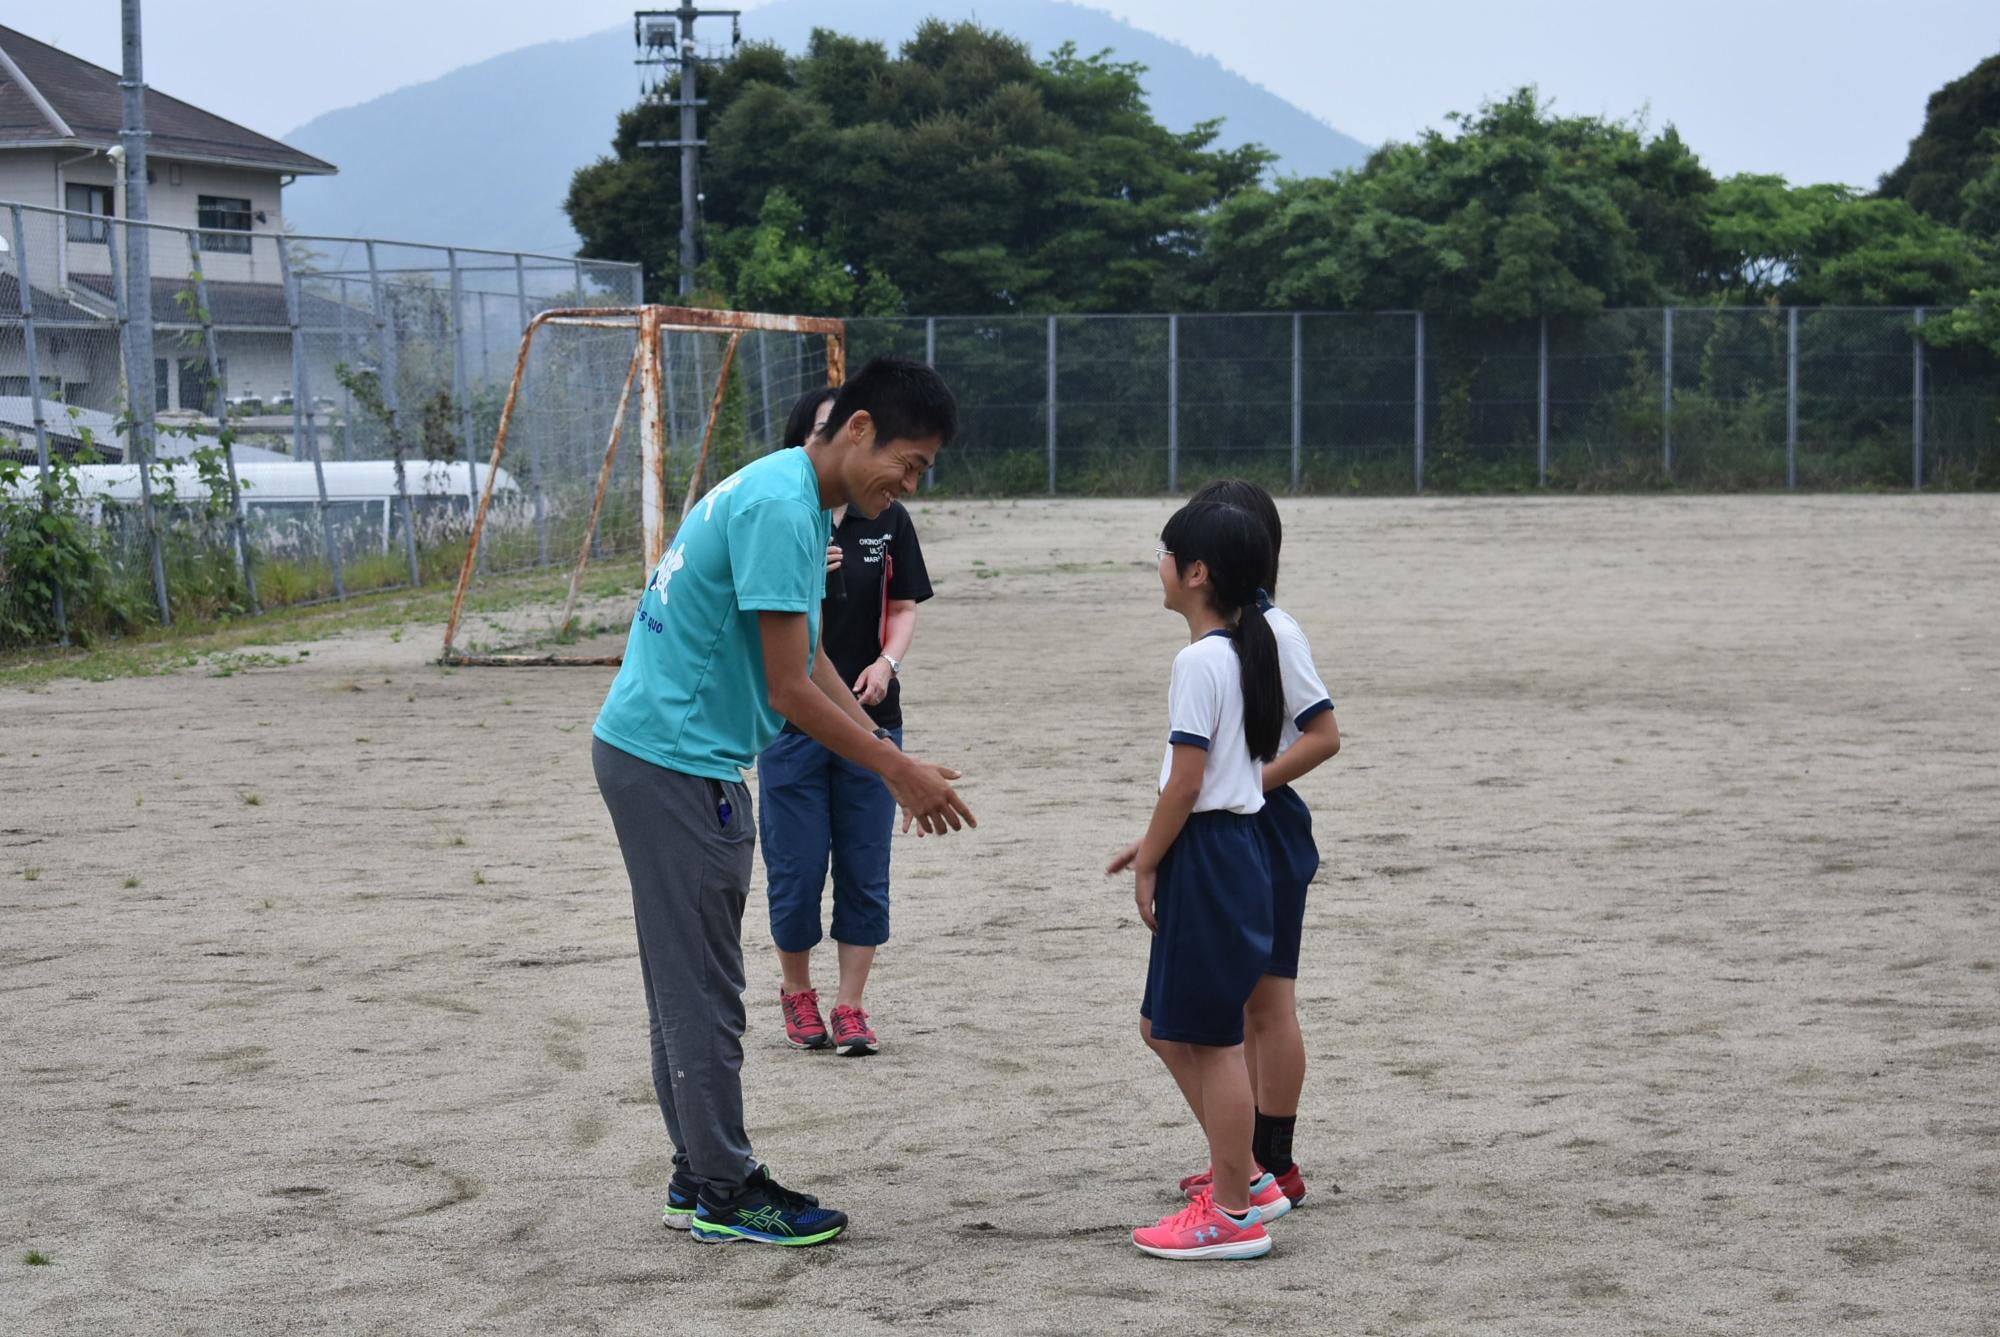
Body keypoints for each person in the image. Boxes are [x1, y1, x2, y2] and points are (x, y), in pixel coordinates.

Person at [591, 356, 975, 1249]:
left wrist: (887, 753)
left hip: (663, 752)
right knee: (704, 992)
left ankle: (700, 1172)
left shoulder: (794, 496)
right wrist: (895, 768)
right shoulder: (779, 507)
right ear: (859, 427)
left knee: (684, 983)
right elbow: (788, 689)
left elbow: (814, 664)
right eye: (909, 462)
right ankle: (724, 1187)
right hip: (674, 763)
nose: (911, 484)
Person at [1107, 500, 1293, 1261]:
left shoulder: (1201, 659)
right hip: (1228, 847)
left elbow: (1187, 781)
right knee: (1163, 1025)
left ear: (1196, 572)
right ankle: (1243, 1179)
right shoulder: (1246, 650)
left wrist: (1152, 856)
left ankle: (1232, 1210)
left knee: (1211, 1039)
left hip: (1212, 853)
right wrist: (1155, 843)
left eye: (1164, 552)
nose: (1156, 564)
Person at [1174, 480, 1341, 1211]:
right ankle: (1244, 1160)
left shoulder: (1277, 630)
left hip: (1264, 827)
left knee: (1266, 1004)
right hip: (1232, 825)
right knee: (1238, 1008)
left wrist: (1248, 781)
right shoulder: (1222, 636)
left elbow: (1324, 733)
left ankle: (1272, 1160)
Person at [758, 386, 933, 1057]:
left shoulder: (885, 518)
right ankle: (797, 992)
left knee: (865, 865)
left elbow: (907, 606)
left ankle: (851, 1005)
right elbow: (790, 657)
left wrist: (887, 662)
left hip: (870, 718)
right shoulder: (785, 519)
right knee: (796, 867)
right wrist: (808, 569)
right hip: (794, 725)